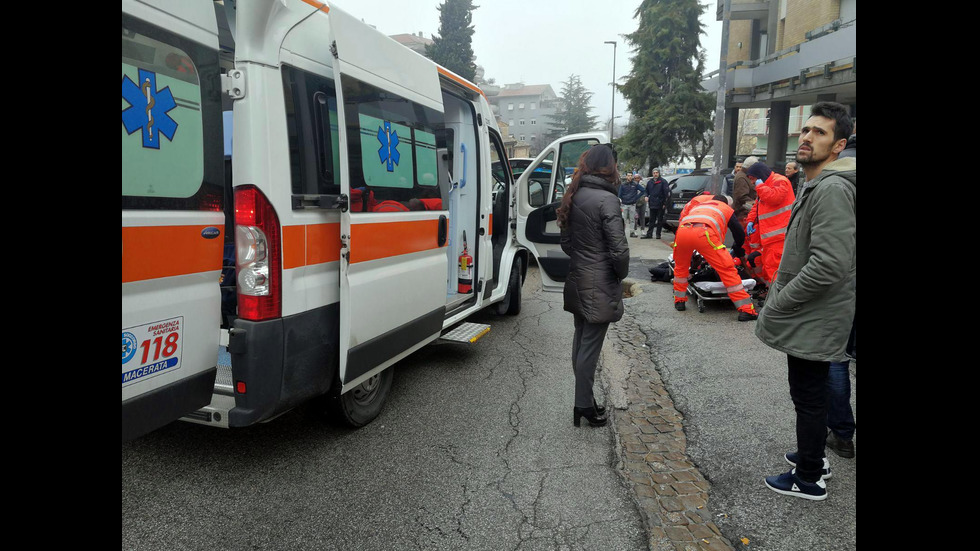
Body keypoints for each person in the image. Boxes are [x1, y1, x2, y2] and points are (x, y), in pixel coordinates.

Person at [757, 101, 855, 501]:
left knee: (809, 396)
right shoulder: (815, 182)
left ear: (838, 146)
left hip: (814, 312)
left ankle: (809, 477)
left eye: (820, 133)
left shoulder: (831, 188)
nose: (807, 137)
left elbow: (829, 264)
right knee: (809, 394)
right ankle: (814, 455)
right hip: (812, 312)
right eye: (806, 130)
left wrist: (781, 301)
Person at [557, 143, 630, 428]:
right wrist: (618, 274)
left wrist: (583, 260)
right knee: (589, 347)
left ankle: (584, 399)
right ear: (609, 167)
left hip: (578, 277)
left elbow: (565, 242)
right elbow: (619, 251)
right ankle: (583, 404)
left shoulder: (574, 193)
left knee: (581, 342)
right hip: (599, 282)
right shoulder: (606, 199)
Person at [670, 193, 758, 321]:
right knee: (727, 270)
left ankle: (679, 301)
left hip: (682, 232)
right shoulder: (725, 208)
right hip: (704, 234)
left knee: (681, 267)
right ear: (726, 203)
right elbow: (738, 232)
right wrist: (738, 247)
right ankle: (746, 310)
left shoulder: (700, 206)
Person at [744, 161, 795, 286]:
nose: (752, 182)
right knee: (768, 267)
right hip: (770, 236)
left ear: (760, 175)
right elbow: (757, 205)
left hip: (779, 235)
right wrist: (750, 221)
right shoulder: (766, 185)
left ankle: (776, 298)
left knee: (774, 269)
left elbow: (774, 198)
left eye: (753, 178)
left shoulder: (780, 181)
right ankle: (771, 294)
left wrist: (760, 187)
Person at [641, 169, 671, 239]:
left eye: (657, 173)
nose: (655, 174)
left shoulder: (663, 182)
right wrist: (646, 196)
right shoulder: (650, 182)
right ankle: (649, 234)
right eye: (654, 173)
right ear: (652, 174)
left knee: (660, 220)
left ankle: (658, 234)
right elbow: (646, 191)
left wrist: (664, 203)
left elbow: (666, 193)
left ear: (659, 173)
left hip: (660, 203)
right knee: (651, 220)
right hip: (652, 203)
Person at [617, 172, 645, 237]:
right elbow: (619, 195)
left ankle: (632, 232)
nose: (629, 177)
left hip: (632, 204)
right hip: (624, 205)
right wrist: (620, 201)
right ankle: (622, 233)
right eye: (628, 175)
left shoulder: (635, 184)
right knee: (623, 219)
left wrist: (636, 197)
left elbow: (643, 190)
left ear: (632, 177)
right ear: (626, 177)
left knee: (632, 219)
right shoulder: (623, 185)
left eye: (630, 175)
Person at [732, 156, 758, 226]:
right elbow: (742, 196)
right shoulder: (741, 177)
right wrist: (755, 204)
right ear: (751, 167)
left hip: (745, 212)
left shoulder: (745, 176)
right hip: (742, 213)